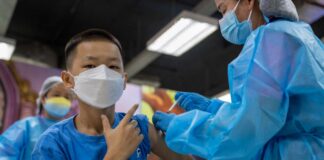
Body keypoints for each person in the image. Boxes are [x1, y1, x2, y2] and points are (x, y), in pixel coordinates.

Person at [152, 0, 324, 159]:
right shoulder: (300, 34)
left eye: (224, 10)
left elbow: (246, 130)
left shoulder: (272, 39)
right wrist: (214, 109)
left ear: (249, 2)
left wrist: (183, 128)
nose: (223, 21)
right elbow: (269, 113)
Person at [32, 29, 191, 160]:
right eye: (90, 65)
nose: (103, 74)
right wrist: (115, 156)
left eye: (113, 67)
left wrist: (181, 137)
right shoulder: (53, 144)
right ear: (68, 79)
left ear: (123, 80)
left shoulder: (138, 128)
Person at [0, 76, 73, 160]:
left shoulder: (72, 133)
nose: (62, 100)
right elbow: (4, 152)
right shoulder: (26, 126)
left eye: (67, 97)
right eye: (56, 95)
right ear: (43, 99)